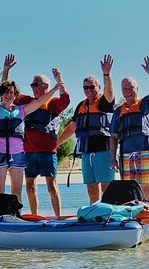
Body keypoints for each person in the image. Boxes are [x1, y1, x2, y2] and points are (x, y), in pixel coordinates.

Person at [3, 54, 70, 216]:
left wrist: (59, 80)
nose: (33, 87)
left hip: (48, 151)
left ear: (46, 86)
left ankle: (58, 217)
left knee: (51, 186)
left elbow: (66, 99)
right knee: (30, 186)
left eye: (36, 84)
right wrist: (6, 70)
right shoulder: (27, 101)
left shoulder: (53, 103)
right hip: (29, 151)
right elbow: (7, 91)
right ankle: (34, 215)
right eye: (32, 84)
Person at [0, 78, 62, 198]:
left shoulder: (22, 110)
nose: (8, 95)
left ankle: (16, 215)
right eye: (5, 92)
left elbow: (40, 101)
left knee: (16, 193)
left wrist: (55, 89)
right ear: (1, 94)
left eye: (11, 92)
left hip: (18, 154)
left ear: (15, 95)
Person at [58, 54, 116, 203]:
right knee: (91, 188)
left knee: (107, 188)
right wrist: (56, 144)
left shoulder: (104, 102)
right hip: (86, 151)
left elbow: (109, 91)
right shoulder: (81, 106)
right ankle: (94, 214)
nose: (89, 90)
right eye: (85, 87)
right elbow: (72, 128)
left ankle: (109, 215)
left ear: (98, 87)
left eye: (92, 87)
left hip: (104, 150)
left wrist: (106, 74)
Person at [109, 56, 149, 198]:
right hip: (125, 155)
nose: (127, 91)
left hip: (144, 152)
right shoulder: (118, 111)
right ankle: (134, 216)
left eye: (130, 87)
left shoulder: (144, 104)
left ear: (137, 88)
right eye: (124, 88)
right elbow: (113, 137)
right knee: (129, 189)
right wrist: (113, 158)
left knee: (146, 187)